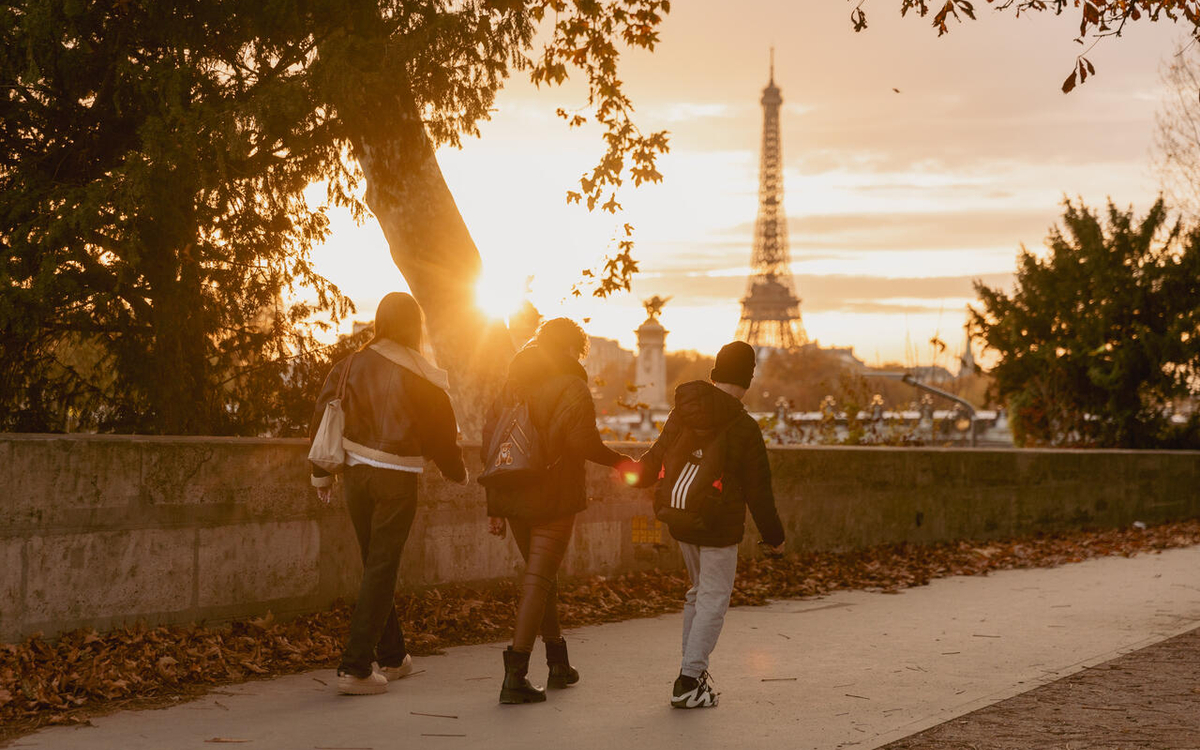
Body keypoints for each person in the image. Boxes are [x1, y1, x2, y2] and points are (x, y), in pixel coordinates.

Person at [309, 292, 466, 695]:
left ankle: (393, 656)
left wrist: (322, 475)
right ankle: (355, 667)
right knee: (381, 567)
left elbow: (324, 416)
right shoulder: (422, 374)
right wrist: (456, 472)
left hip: (356, 477)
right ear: (415, 326)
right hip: (396, 478)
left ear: (379, 322)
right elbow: (441, 435)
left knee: (375, 566)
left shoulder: (348, 365)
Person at [483, 318, 632, 705]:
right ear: (571, 349)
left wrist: (493, 505)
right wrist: (622, 462)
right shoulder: (571, 386)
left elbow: (492, 445)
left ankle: (558, 664)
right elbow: (584, 442)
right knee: (538, 580)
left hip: (514, 494)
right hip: (553, 496)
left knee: (541, 576)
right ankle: (515, 675)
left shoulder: (511, 385)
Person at [633, 340, 785, 709]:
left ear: (715, 373)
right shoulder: (745, 427)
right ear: (747, 380)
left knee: (698, 593)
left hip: (681, 516)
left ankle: (692, 674)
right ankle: (688, 680)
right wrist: (774, 538)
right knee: (714, 598)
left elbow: (654, 458)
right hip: (718, 525)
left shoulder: (683, 411)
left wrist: (627, 473)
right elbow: (758, 491)